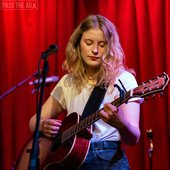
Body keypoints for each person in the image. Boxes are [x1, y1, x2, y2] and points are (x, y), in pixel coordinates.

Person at [29, 15, 141, 170]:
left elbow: (133, 138)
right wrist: (43, 125)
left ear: (111, 48)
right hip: (69, 161)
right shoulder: (67, 82)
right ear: (78, 45)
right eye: (88, 43)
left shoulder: (123, 79)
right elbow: (33, 122)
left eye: (102, 45)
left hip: (107, 159)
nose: (95, 50)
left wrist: (121, 124)